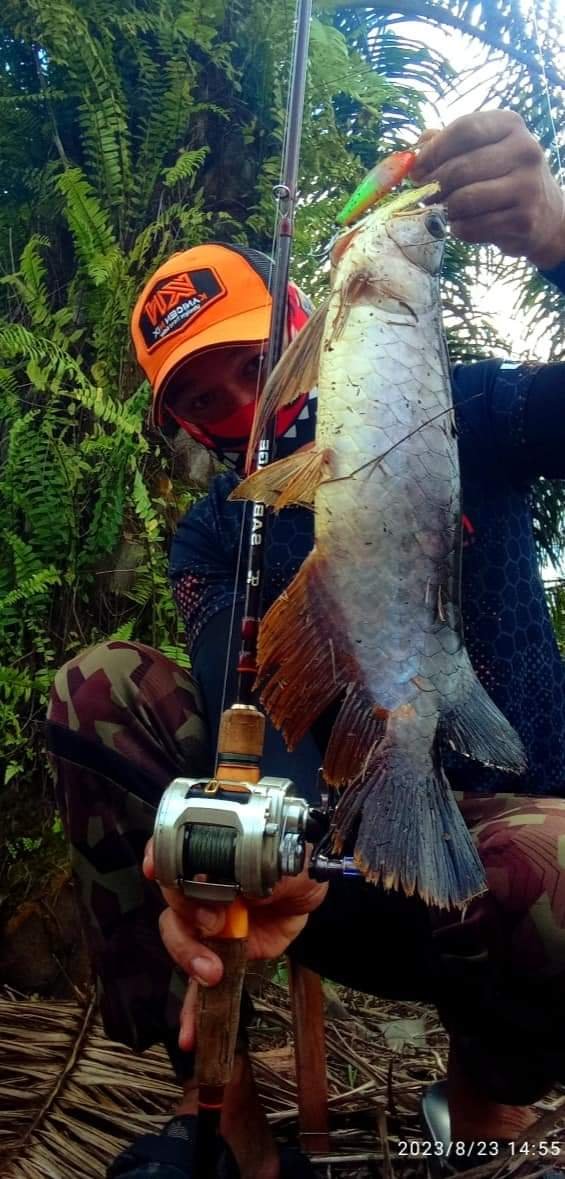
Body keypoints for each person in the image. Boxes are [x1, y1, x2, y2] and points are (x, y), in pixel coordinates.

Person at [46, 110, 565, 1179]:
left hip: (505, 874)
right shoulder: (215, 530)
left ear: (306, 321)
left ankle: (482, 1112)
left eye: (249, 367)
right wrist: (267, 849)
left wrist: (557, 240)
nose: (237, 408)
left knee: (549, 864)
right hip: (309, 863)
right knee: (97, 687)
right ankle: (222, 1111)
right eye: (200, 400)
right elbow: (242, 684)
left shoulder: (471, 406)